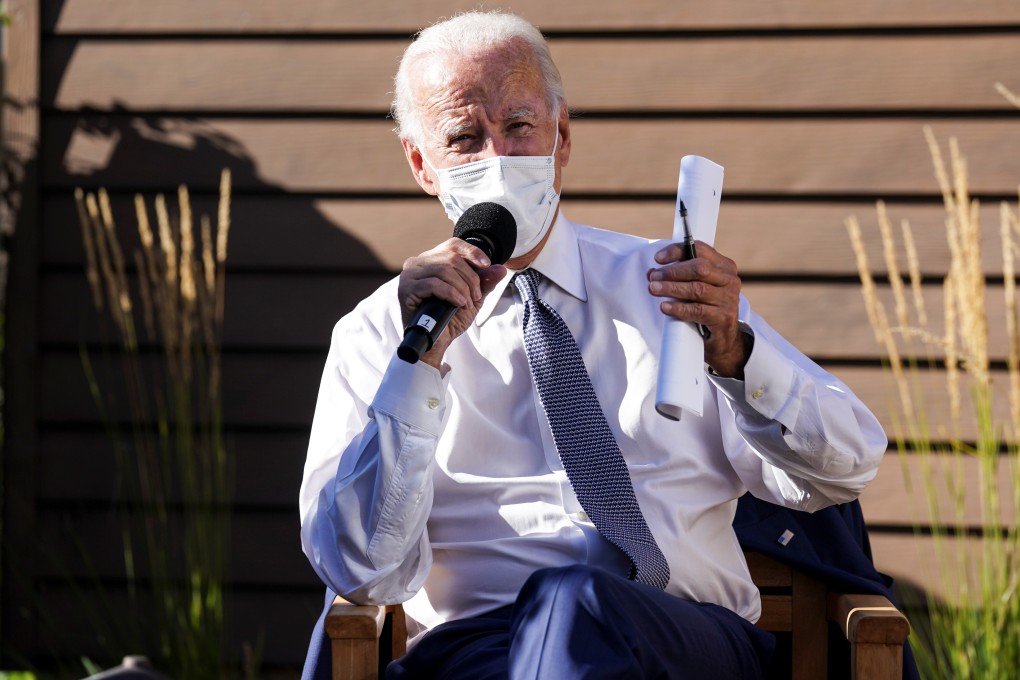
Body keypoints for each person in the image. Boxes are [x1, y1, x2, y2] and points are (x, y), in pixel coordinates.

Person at [299, 10, 887, 679]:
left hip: (682, 641)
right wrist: (420, 364)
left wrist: (736, 354)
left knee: (576, 598)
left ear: (562, 135)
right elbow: (360, 569)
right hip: (483, 652)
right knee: (564, 606)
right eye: (465, 137)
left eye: (519, 126)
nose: (499, 158)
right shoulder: (379, 333)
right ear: (422, 164)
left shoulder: (671, 287)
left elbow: (846, 466)